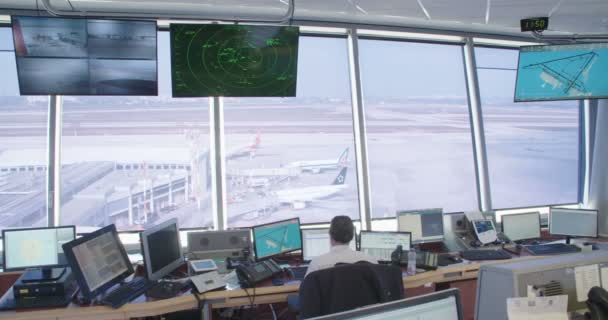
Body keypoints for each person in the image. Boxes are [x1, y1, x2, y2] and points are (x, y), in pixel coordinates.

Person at [305, 215, 377, 277]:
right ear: (352, 236)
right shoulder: (370, 260)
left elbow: (306, 291)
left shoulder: (316, 264)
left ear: (330, 235)